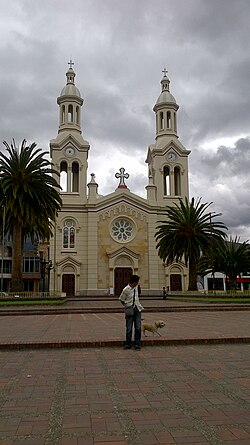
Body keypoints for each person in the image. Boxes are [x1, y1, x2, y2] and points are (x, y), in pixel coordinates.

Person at [119, 274, 144, 350]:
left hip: (137, 309)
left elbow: (139, 293)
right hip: (130, 310)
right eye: (137, 282)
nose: (138, 283)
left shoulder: (136, 287)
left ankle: (137, 344)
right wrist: (127, 306)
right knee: (129, 328)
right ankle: (128, 344)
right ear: (134, 282)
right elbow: (121, 299)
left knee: (138, 328)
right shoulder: (125, 289)